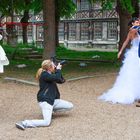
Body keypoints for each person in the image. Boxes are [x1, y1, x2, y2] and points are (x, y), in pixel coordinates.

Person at [16, 59, 74, 130]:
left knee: (70, 106)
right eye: (53, 65)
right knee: (46, 122)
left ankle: (51, 110)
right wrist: (58, 69)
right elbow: (57, 77)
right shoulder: (44, 74)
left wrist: (57, 70)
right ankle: (24, 123)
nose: (55, 66)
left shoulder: (50, 74)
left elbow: (61, 80)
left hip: (52, 100)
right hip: (45, 101)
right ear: (49, 67)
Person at [98, 18, 140, 104]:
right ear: (133, 23)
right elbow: (126, 41)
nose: (138, 23)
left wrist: (120, 51)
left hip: (133, 53)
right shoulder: (134, 30)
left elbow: (125, 42)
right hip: (136, 54)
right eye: (137, 22)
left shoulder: (132, 30)